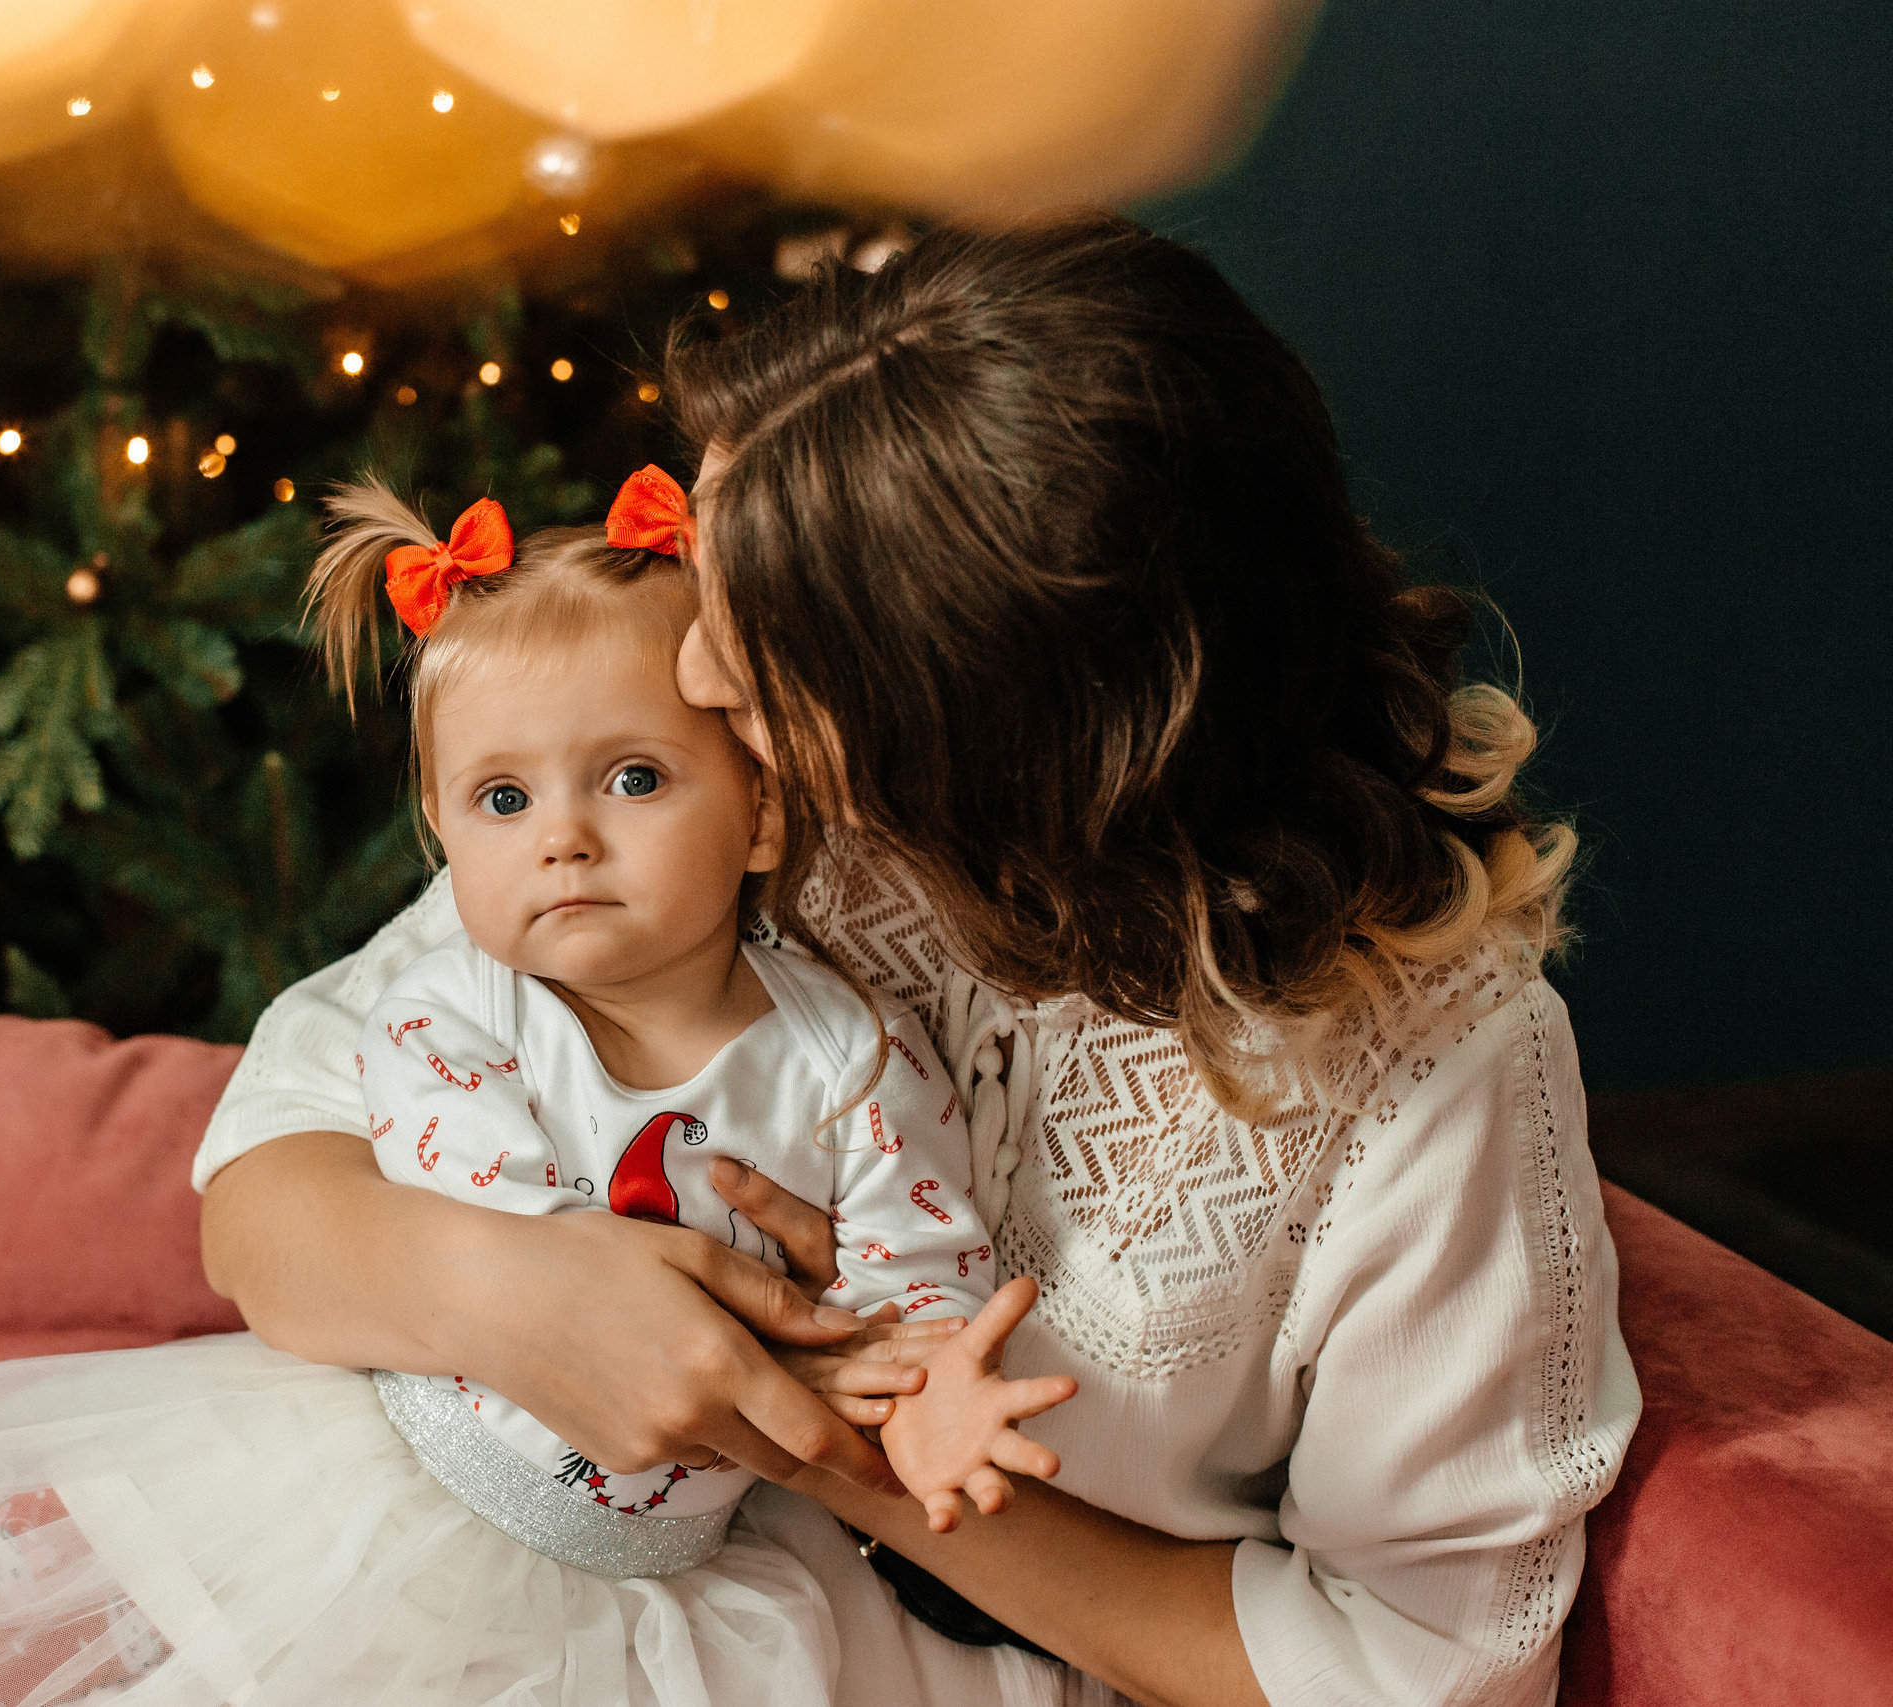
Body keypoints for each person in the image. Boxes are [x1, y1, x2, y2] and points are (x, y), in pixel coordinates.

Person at [197, 213, 1643, 1707]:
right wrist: (523, 1302)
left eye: (753, 664)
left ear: (990, 744)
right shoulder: (762, 801)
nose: (691, 676)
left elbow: (1410, 1669)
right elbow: (266, 1179)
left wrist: (826, 1443)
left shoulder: (1430, 1080)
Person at [0, 475, 1067, 1707]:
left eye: (637, 778)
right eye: (501, 799)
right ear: (443, 838)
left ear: (763, 818)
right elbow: (477, 1196)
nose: (563, 836)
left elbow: (912, 1246)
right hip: (403, 1501)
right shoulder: (452, 1009)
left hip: (684, 1561)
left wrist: (926, 1382)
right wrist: (600, 1295)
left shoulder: (850, 1051)